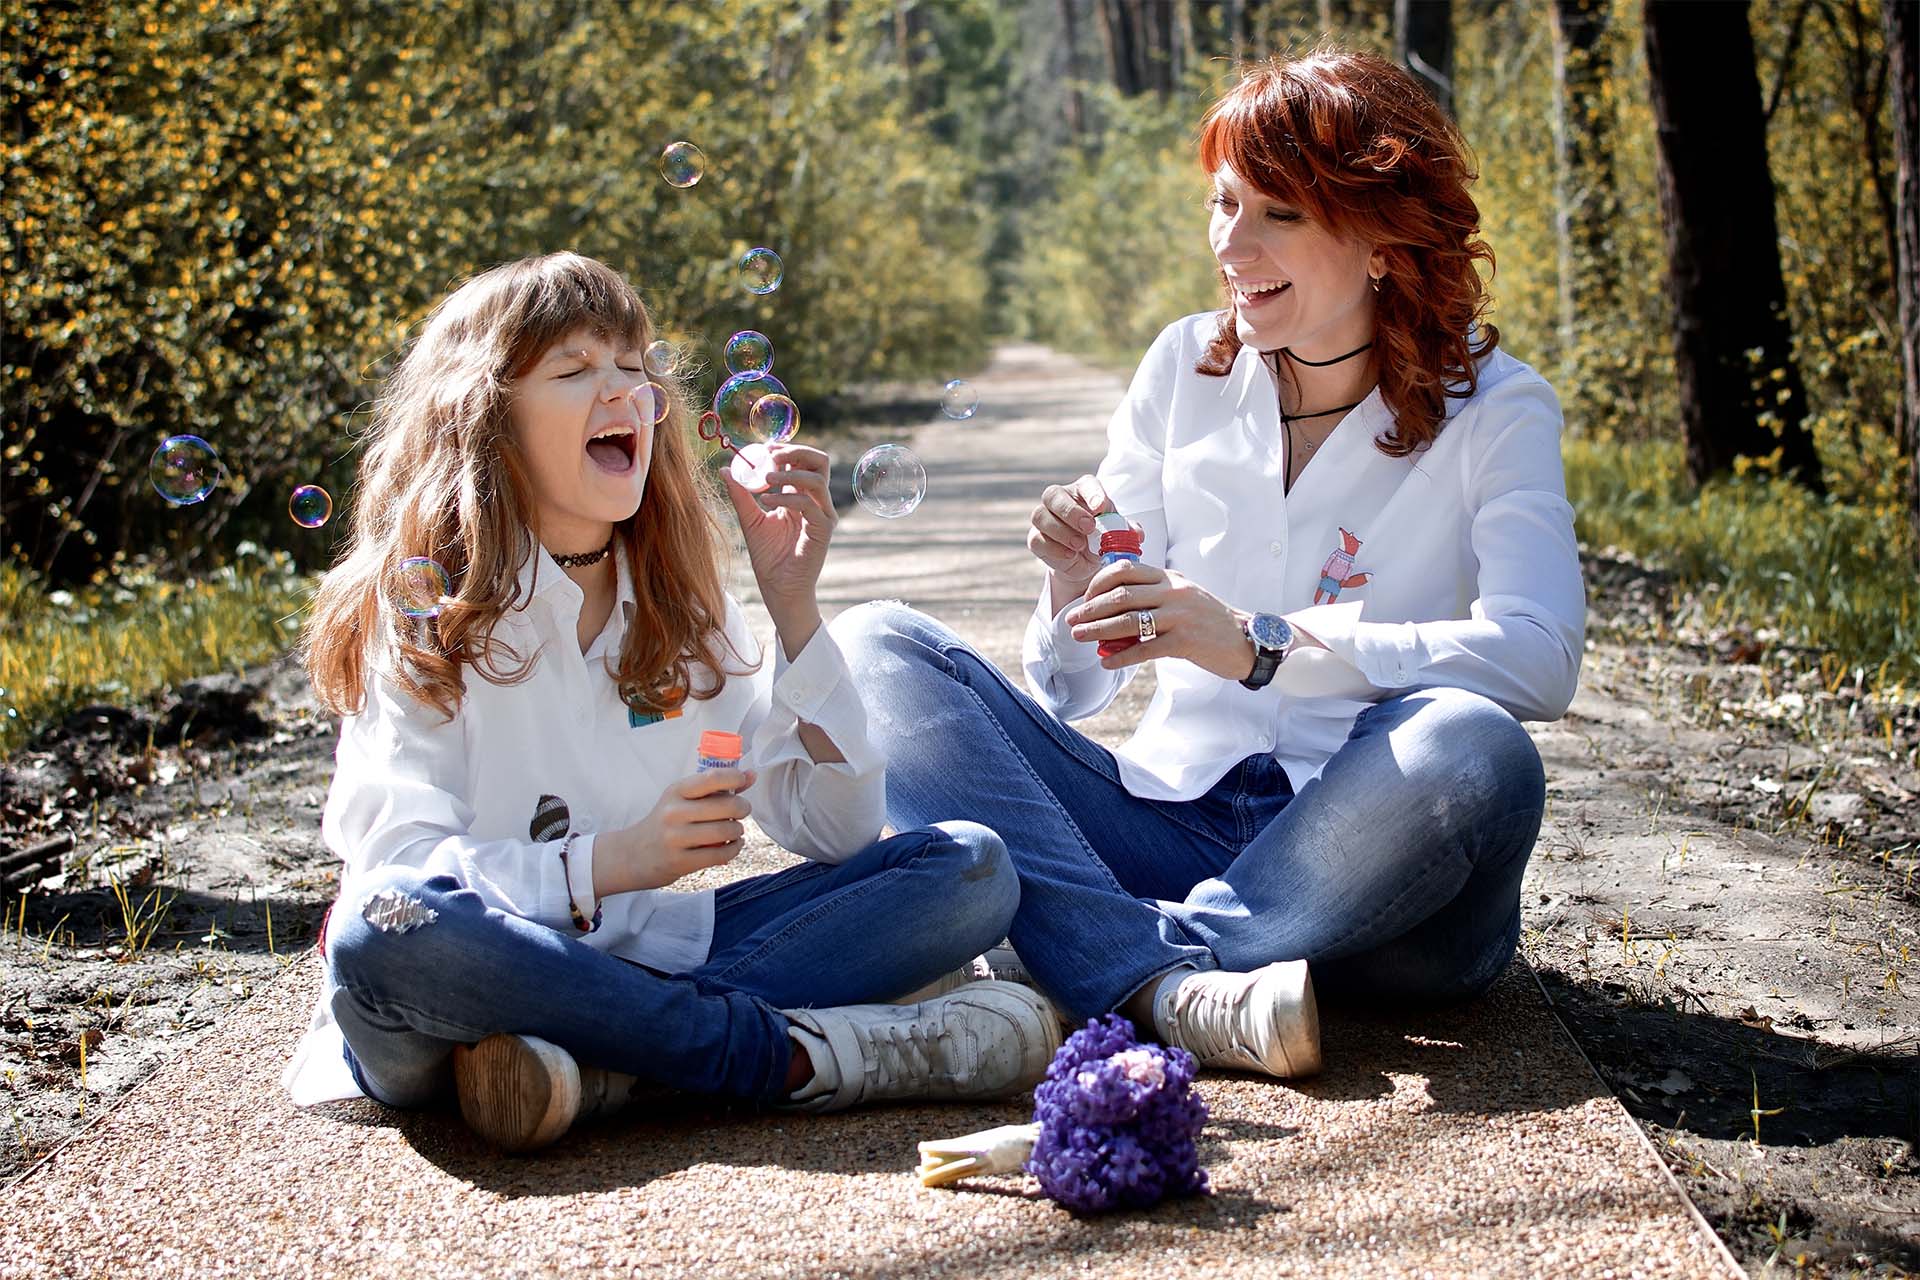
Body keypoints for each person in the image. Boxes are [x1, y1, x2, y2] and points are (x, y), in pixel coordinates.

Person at [833, 48, 1585, 1080]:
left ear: (1381, 234)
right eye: (1224, 204)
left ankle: (1092, 953)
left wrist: (1262, 645)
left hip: (1377, 875)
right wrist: (1072, 588)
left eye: (1277, 211)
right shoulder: (1183, 365)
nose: (1232, 241)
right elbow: (1076, 682)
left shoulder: (1498, 406)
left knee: (1475, 742)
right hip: (1165, 821)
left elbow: (1541, 655)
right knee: (875, 644)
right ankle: (1168, 983)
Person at [282, 252, 1058, 1153]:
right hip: (459, 977)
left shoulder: (684, 612)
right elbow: (400, 869)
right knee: (380, 929)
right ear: (485, 424)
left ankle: (603, 1067)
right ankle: (774, 1056)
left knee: (968, 868)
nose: (623, 391)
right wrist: (609, 862)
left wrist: (795, 607)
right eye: (574, 371)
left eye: (634, 366)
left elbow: (835, 829)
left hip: (651, 957)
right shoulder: (424, 610)